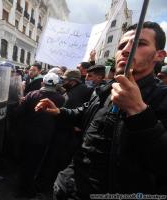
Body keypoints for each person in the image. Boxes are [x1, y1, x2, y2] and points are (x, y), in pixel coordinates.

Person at [35, 21, 167, 198]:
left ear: (159, 55)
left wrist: (139, 112)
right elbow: (87, 112)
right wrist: (60, 112)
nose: (126, 50)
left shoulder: (162, 97)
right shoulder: (106, 89)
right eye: (121, 45)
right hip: (70, 187)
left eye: (140, 43)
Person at [16, 72, 65, 199]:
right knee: (35, 163)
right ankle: (26, 188)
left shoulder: (31, 94)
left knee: (25, 161)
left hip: (27, 135)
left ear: (42, 82)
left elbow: (19, 112)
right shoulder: (60, 99)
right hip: (44, 137)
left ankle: (22, 187)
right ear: (56, 85)